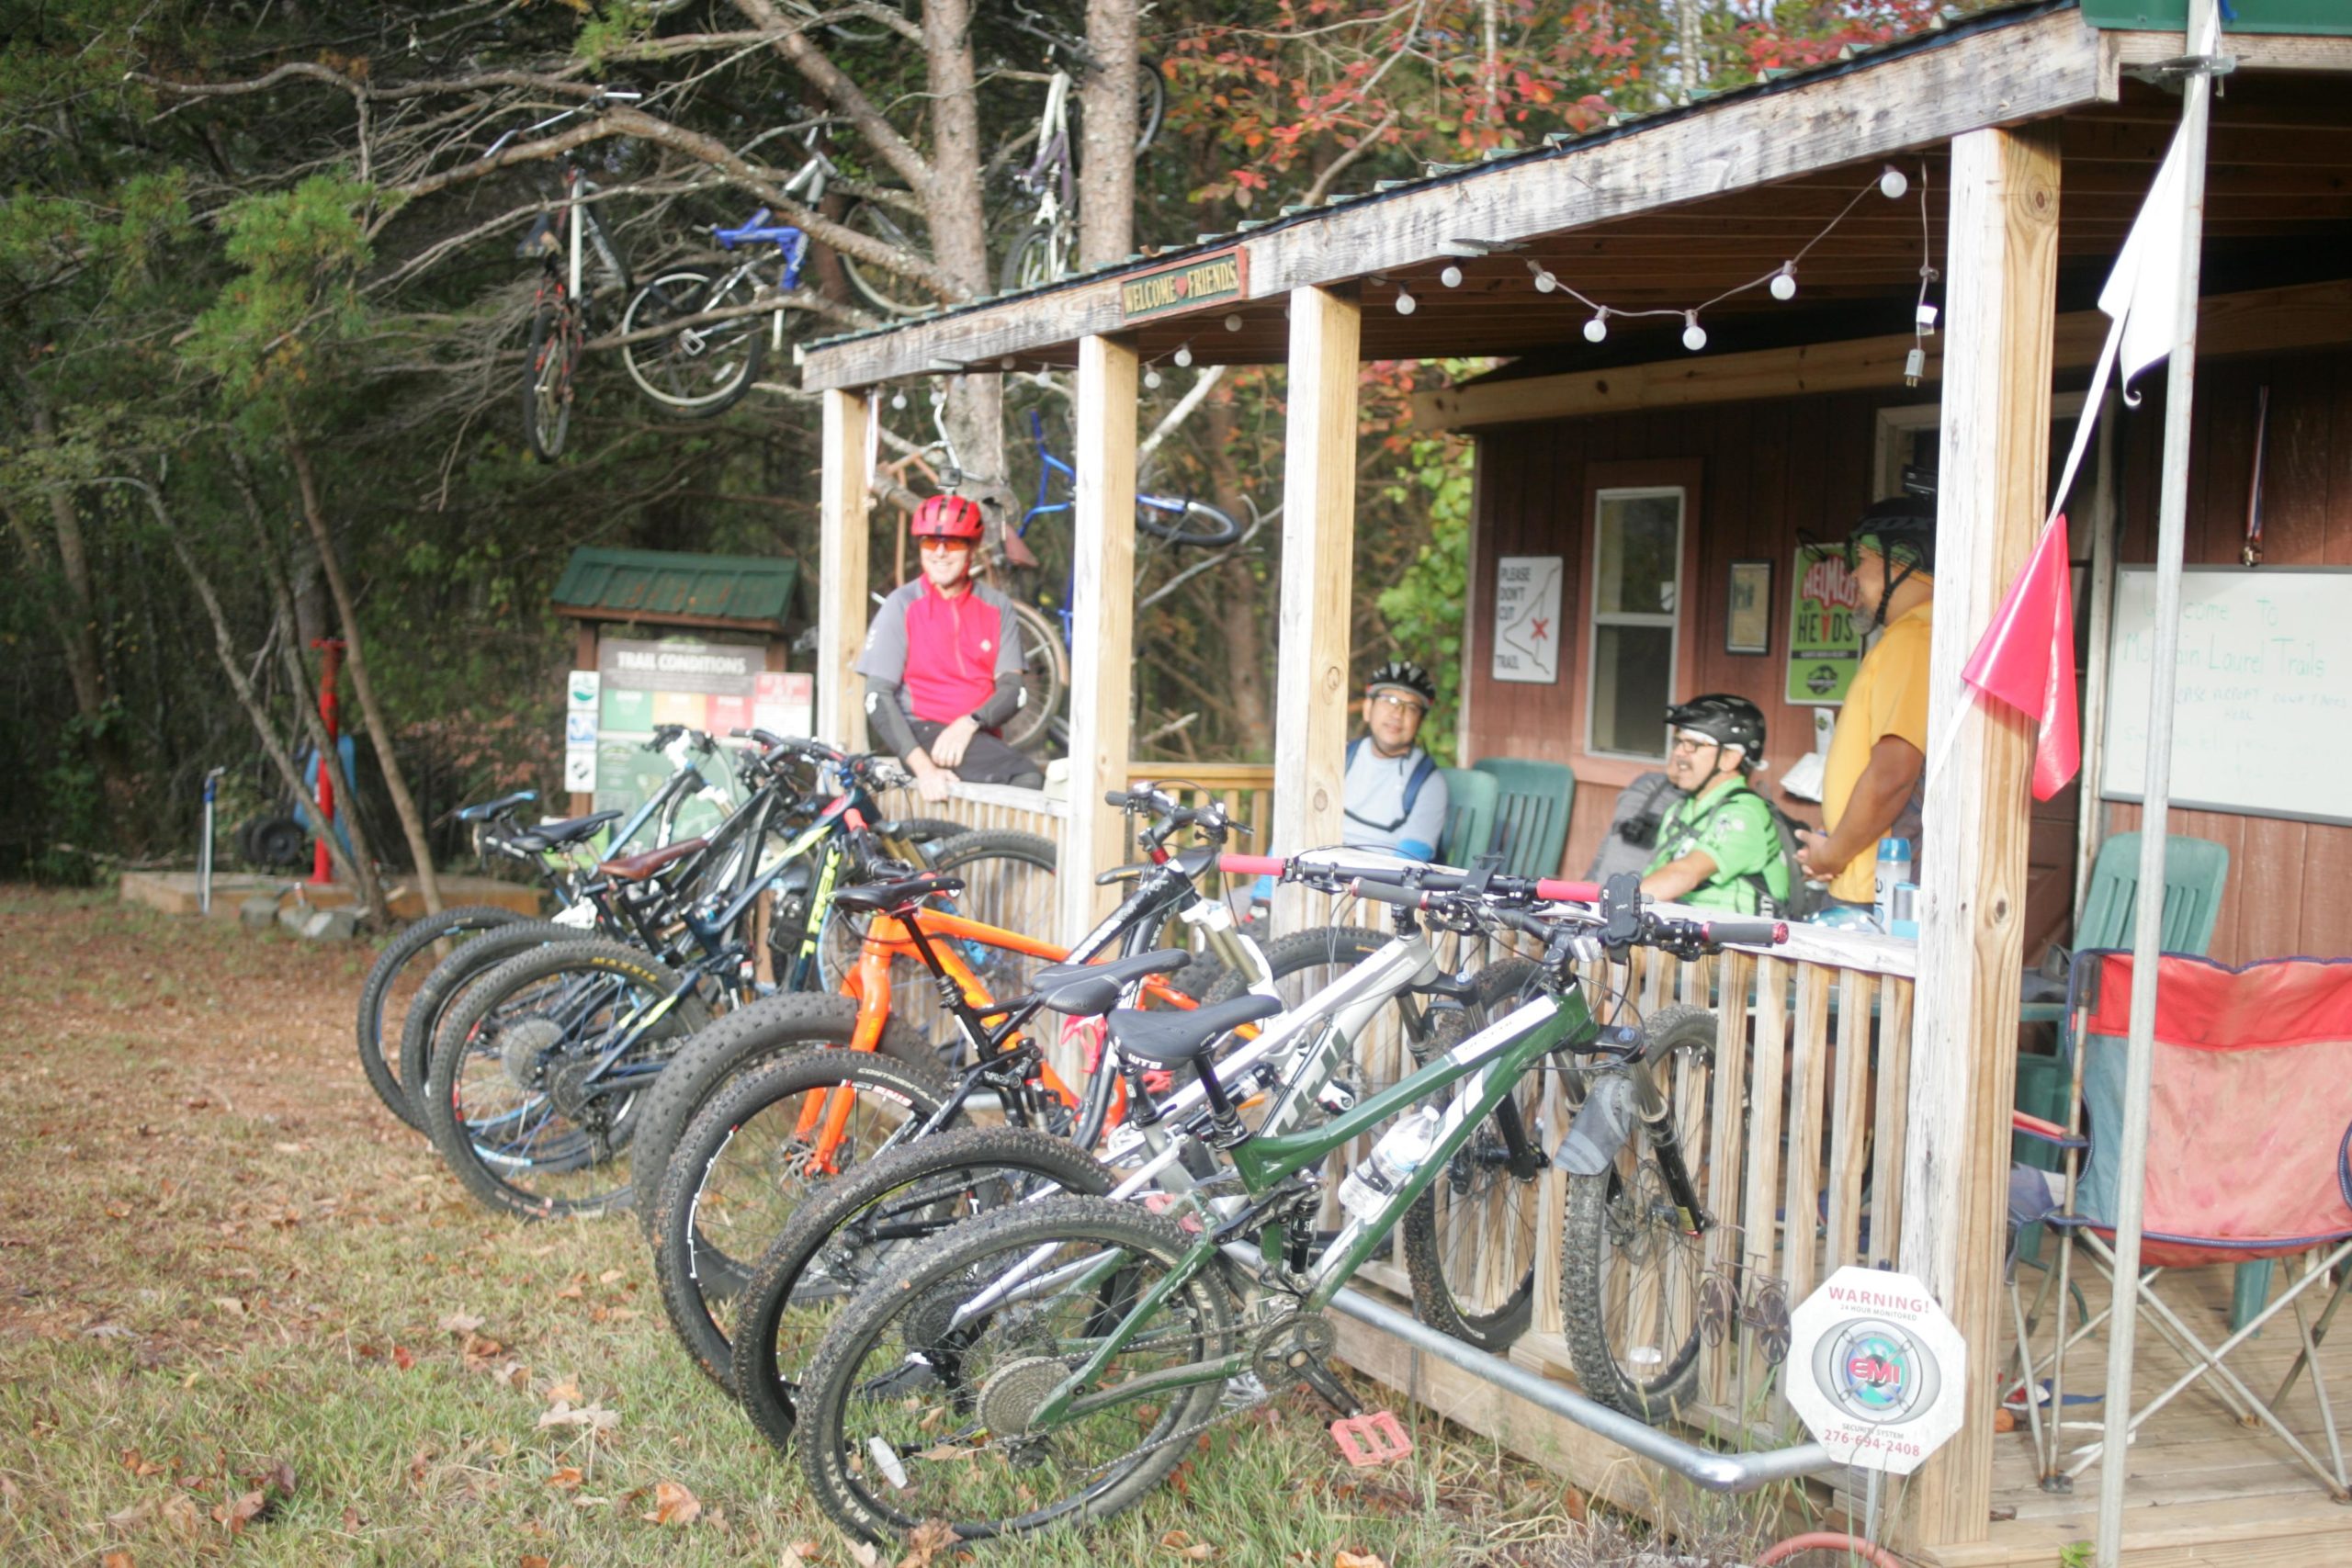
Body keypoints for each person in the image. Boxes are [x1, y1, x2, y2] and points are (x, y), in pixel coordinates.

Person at [1794, 497, 1934, 909]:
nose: (1853, 572)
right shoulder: (1915, 636)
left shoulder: (1916, 639)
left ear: (1903, 561)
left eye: (1862, 556)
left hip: (1881, 892)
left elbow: (1893, 774)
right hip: (1875, 883)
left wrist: (1831, 855)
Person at [855, 494, 1043, 801]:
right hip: (921, 733)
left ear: (972, 547)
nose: (940, 553)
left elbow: (1013, 688)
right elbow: (877, 696)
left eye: (953, 543)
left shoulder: (996, 606)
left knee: (1017, 775)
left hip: (974, 735)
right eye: (930, 542)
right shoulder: (901, 604)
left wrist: (969, 723)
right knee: (1025, 776)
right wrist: (923, 767)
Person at [1638, 694, 1792, 915]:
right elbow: (1657, 877)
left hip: (1740, 944)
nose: (1679, 752)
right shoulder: (1680, 810)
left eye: (1693, 744)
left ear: (1730, 758)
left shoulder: (1745, 813)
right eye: (1679, 742)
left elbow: (1685, 874)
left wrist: (1615, 905)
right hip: (1687, 936)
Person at [1343, 660, 1450, 862]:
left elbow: (1408, 864)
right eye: (1388, 700)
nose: (1397, 714)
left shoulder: (1428, 782)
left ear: (1419, 722)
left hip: (1379, 887)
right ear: (1368, 708)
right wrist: (1265, 892)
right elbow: (1297, 827)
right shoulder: (1338, 759)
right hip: (1319, 875)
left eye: (1411, 707)